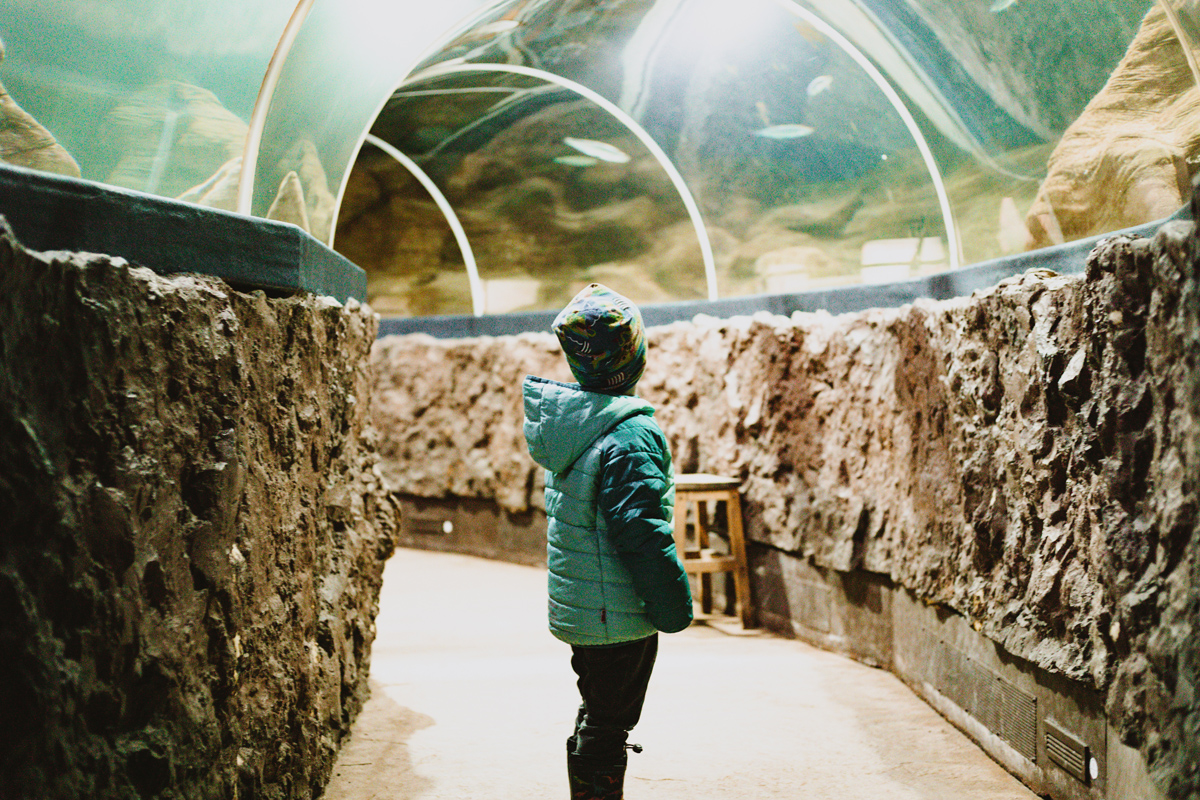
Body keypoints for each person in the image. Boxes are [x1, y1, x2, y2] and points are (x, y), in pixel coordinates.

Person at [523, 283, 694, 800]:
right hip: (617, 611)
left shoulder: (572, 425)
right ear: (635, 355)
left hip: (587, 608)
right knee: (610, 721)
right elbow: (639, 532)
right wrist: (672, 605)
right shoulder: (629, 434)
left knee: (599, 706)